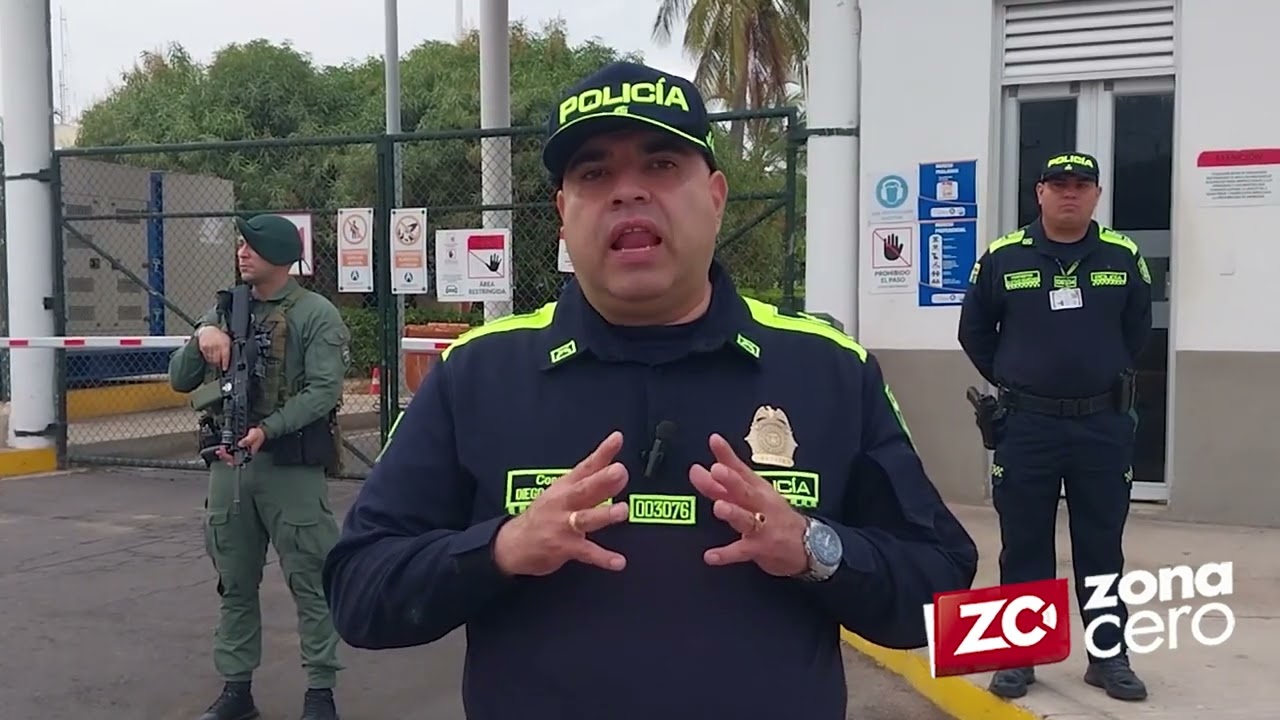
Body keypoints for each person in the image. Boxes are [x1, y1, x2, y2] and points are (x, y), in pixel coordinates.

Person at [322, 61, 978, 720]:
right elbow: (358, 591)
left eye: (661, 165)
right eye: (593, 173)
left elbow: (943, 590)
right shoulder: (477, 373)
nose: (627, 192)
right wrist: (502, 549)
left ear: (716, 197)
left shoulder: (829, 370)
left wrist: (812, 548)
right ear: (562, 213)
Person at [958, 152, 1153, 703]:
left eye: (1082, 184)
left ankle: (1108, 657)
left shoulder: (1123, 255)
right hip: (1027, 427)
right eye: (1059, 184)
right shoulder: (1003, 257)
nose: (1071, 192)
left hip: (1102, 425)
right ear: (1039, 193)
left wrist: (1094, 378)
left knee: (1101, 546)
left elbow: (1137, 333)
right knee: (1023, 546)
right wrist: (1019, 379)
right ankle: (1019, 657)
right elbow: (975, 331)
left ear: (1097, 195)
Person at [168, 213, 352, 720]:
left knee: (311, 582)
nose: (242, 252)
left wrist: (269, 429)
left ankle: (320, 694)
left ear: (279, 255)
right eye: (241, 245)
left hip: (289, 468)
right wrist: (203, 334)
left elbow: (324, 391)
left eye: (251, 246)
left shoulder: (315, 314)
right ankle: (236, 691)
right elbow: (180, 379)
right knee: (234, 583)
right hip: (231, 468)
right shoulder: (226, 308)